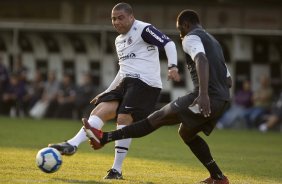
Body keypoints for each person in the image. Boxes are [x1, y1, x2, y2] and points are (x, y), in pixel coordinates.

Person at [82, 9, 231, 184]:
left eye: (179, 30)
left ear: (186, 25)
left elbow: (201, 60)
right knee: (186, 133)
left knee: (157, 118)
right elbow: (228, 79)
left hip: (206, 97)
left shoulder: (191, 37)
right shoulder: (213, 41)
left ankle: (104, 138)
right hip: (222, 100)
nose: (180, 34)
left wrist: (204, 94)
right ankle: (218, 177)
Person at [49, 2, 180, 180]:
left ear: (131, 17)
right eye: (113, 19)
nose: (116, 22)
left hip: (146, 84)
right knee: (100, 110)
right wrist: (107, 91)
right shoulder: (119, 40)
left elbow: (169, 43)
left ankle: (116, 170)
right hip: (127, 82)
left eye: (120, 18)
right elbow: (123, 69)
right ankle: (72, 144)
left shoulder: (143, 29)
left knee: (123, 118)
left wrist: (172, 66)